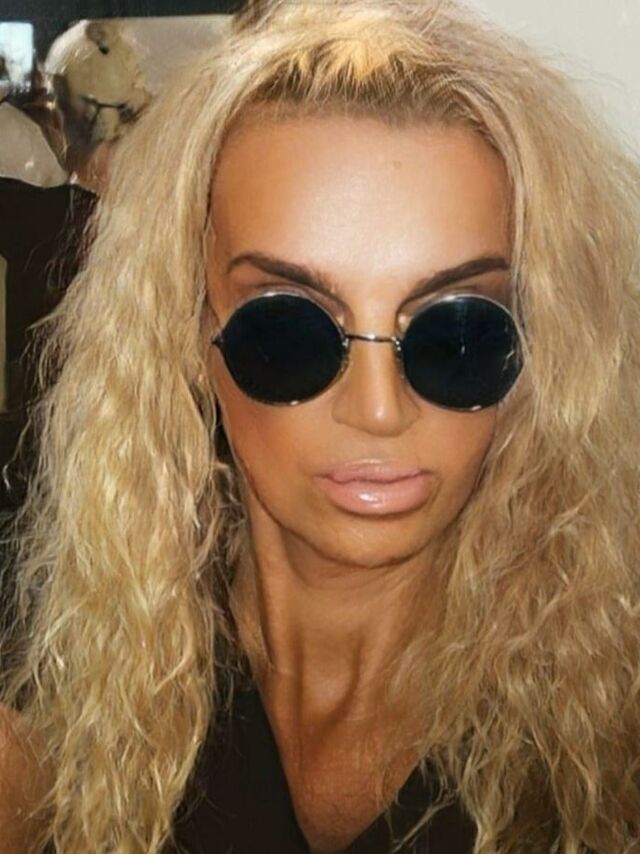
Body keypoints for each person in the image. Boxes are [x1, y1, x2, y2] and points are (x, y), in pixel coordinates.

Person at [1, 0, 639, 851]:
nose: (379, 410)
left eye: (460, 332)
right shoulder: (51, 704)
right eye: (288, 329)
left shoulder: (609, 729)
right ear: (188, 331)